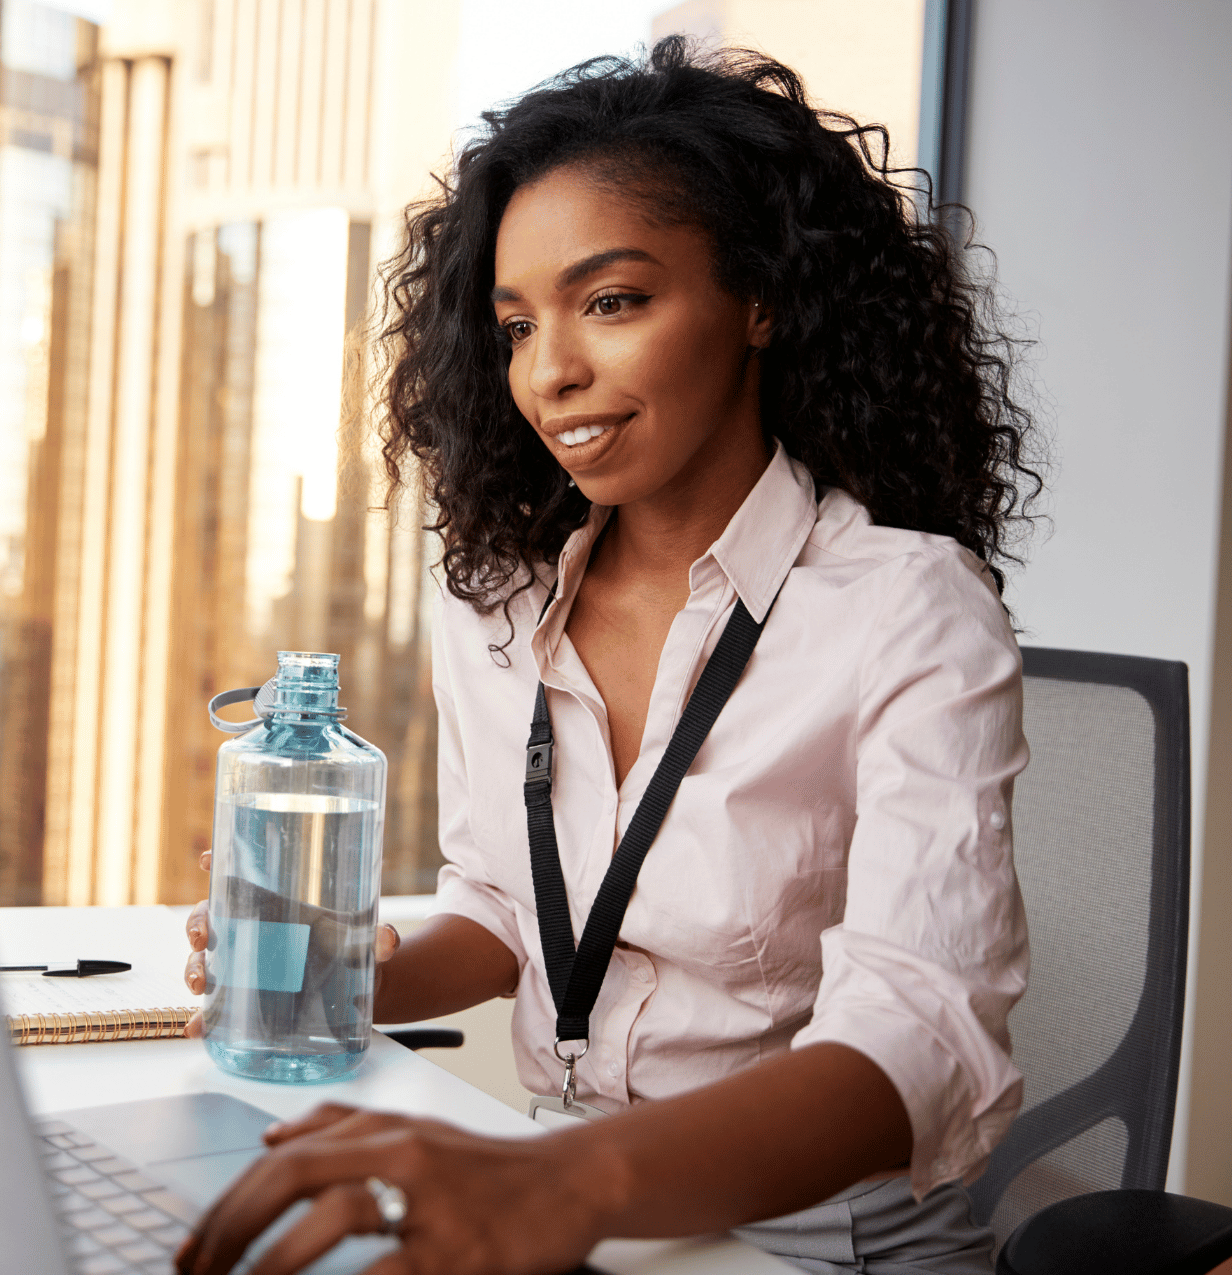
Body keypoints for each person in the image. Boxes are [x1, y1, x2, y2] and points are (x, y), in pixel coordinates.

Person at [177, 36, 1040, 1275]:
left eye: (612, 301)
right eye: (516, 325)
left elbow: (912, 1043)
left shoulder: (906, 610)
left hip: (807, 1246)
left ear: (759, 299)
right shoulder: (496, 599)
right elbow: (499, 901)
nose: (551, 372)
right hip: (561, 1201)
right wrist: (351, 975)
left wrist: (559, 1184)